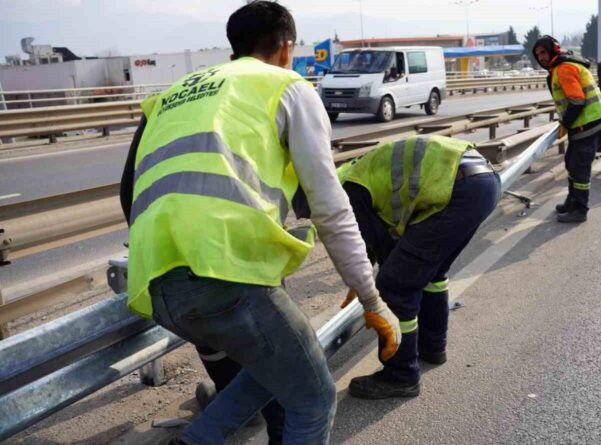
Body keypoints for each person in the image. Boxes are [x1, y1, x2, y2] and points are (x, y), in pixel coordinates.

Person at [118, 2, 401, 444]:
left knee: (274, 370)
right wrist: (370, 296)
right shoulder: (286, 85)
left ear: (235, 47)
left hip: (153, 284)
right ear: (287, 48)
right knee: (313, 398)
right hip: (226, 275)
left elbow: (127, 193)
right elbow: (329, 205)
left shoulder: (172, 93)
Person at [337, 135, 501, 399]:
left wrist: (366, 284)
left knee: (394, 286)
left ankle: (400, 376)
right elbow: (373, 242)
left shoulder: (346, 193)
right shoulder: (354, 175)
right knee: (431, 274)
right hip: (481, 182)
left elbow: (382, 247)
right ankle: (432, 347)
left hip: (459, 189)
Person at [532, 35, 601, 223]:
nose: (541, 57)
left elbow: (577, 100)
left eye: (543, 52)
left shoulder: (564, 68)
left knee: (579, 167)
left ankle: (580, 210)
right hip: (585, 123)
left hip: (588, 123)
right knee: (570, 162)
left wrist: (565, 124)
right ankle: (572, 201)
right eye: (538, 55)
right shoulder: (561, 66)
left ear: (553, 50)